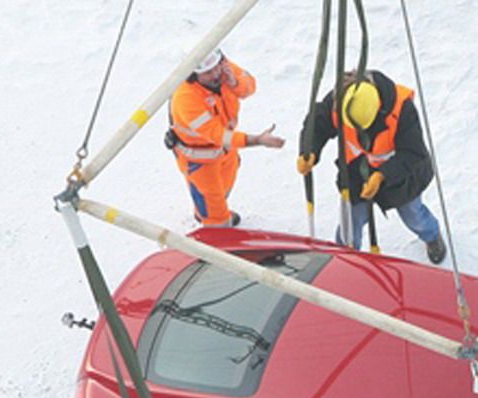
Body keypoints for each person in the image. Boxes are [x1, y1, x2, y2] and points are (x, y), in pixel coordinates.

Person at [297, 69, 448, 264]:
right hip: (355, 176)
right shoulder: (342, 98)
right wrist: (309, 150)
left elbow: (413, 153)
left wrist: (382, 175)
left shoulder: (402, 110)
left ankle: (432, 236)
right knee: (350, 225)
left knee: (413, 215)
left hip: (401, 177)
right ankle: (344, 259)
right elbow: (318, 122)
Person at [166, 48, 284, 228]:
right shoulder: (186, 99)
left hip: (226, 152)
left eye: (216, 68)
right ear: (193, 75)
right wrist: (257, 140)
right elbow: (217, 134)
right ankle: (216, 236)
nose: (215, 75)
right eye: (208, 73)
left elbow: (249, 86)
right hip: (200, 161)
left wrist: (235, 82)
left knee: (224, 189)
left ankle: (206, 211)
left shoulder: (222, 68)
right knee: (216, 216)